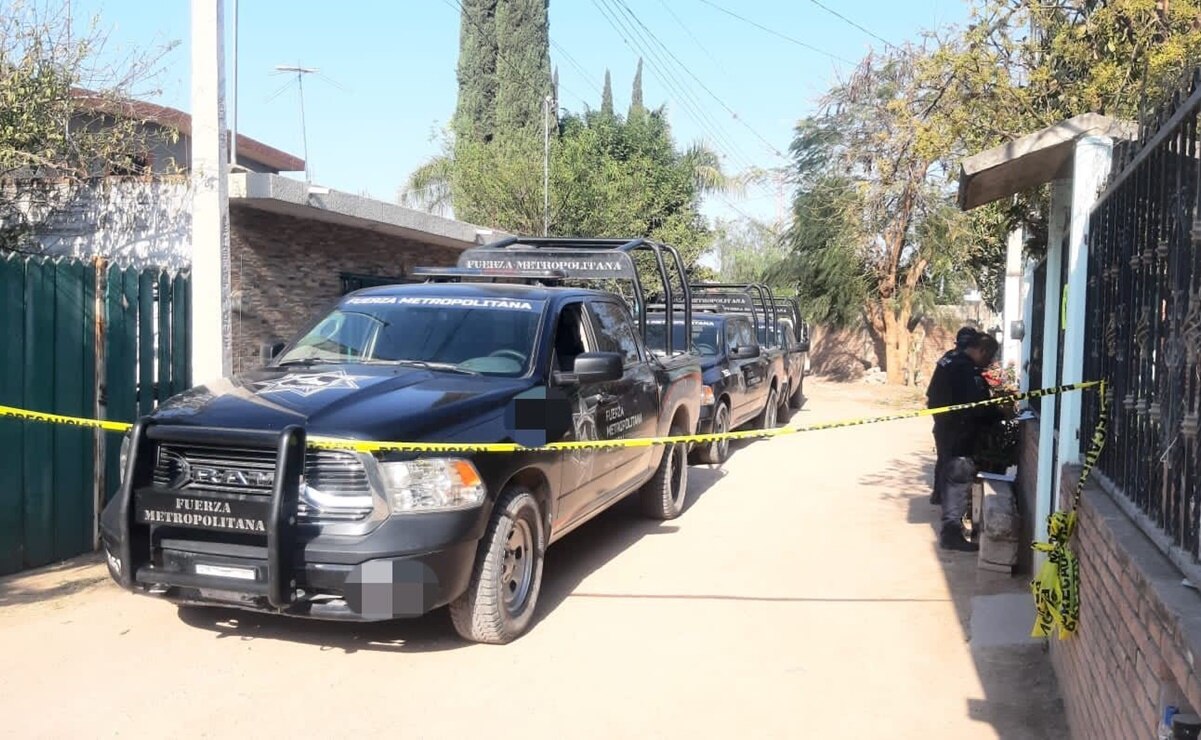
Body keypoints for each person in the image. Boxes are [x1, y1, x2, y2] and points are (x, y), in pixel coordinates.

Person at [934, 332, 1001, 552]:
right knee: (957, 481)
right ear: (981, 350)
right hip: (959, 433)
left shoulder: (949, 359)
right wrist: (998, 413)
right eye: (988, 356)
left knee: (949, 477)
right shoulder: (964, 369)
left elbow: (932, 396)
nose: (989, 363)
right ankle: (951, 534)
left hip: (946, 430)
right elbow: (976, 406)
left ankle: (951, 528)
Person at [925, 327, 979, 505]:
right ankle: (948, 497)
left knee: (944, 456)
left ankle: (938, 494)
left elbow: (932, 392)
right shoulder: (963, 364)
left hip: (940, 417)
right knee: (954, 459)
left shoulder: (948, 357)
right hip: (954, 419)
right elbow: (970, 396)